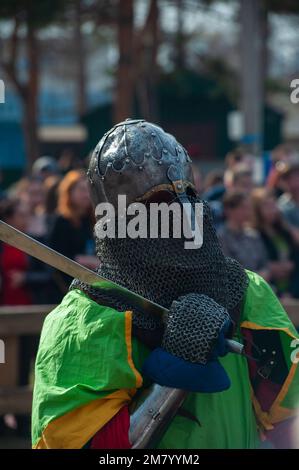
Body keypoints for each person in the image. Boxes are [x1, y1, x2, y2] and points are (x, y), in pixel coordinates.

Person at [32, 120, 299, 449]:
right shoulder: (81, 322)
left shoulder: (245, 291)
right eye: (159, 201)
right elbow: (77, 444)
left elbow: (290, 418)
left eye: (188, 195)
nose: (182, 213)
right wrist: (177, 369)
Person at [47, 170, 97, 302]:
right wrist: (83, 260)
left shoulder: (90, 220)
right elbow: (55, 257)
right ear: (69, 192)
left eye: (88, 190)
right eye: (81, 190)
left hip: (91, 287)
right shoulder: (61, 221)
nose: (86, 195)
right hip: (65, 288)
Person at [251, 188, 299, 299]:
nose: (272, 210)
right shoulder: (254, 235)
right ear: (257, 210)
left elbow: (296, 259)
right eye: (267, 206)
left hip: (292, 291)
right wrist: (271, 268)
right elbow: (255, 263)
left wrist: (291, 292)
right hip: (269, 292)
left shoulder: (284, 232)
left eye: (273, 205)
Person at [218, 191, 270, 279]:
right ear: (229, 210)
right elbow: (228, 269)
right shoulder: (221, 238)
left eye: (249, 207)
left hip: (259, 285)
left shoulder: (253, 235)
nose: (248, 211)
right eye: (243, 207)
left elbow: (264, 264)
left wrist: (264, 273)